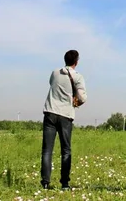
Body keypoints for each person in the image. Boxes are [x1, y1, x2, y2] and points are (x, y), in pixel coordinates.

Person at [40, 49, 87, 190]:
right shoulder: (78, 77)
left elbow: (51, 84)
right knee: (65, 150)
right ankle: (65, 183)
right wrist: (76, 102)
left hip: (50, 111)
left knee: (47, 150)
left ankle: (45, 182)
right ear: (76, 62)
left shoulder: (55, 73)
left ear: (64, 59)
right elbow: (83, 98)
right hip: (66, 115)